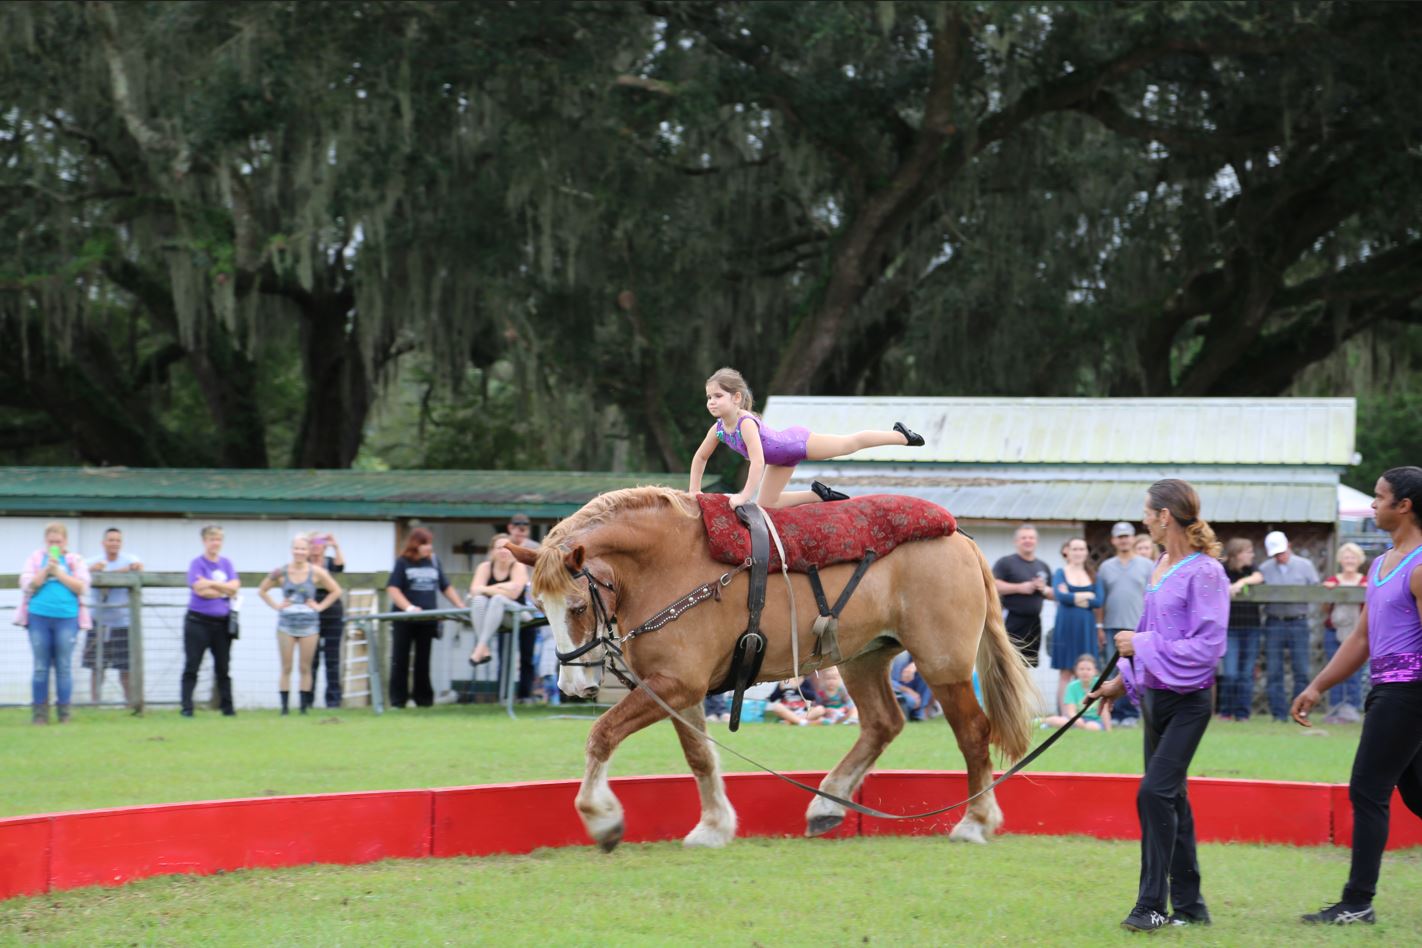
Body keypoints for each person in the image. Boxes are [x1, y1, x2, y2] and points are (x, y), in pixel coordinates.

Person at [1089, 479, 1227, 932]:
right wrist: (1118, 683)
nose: (1144, 518)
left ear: (1164, 516)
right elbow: (1147, 639)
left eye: (1148, 511)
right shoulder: (1162, 564)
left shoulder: (1205, 571)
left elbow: (1207, 647)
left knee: (1154, 793)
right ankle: (1190, 906)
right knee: (1173, 800)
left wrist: (1140, 643)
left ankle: (1150, 905)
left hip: (1189, 701)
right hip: (1155, 697)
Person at [1292, 467, 1422, 926]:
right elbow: (1363, 639)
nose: (1372, 504)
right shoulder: (1384, 564)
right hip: (1386, 690)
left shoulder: (1421, 566)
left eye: (1379, 497)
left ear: (1403, 505)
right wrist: (1316, 686)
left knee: (1368, 790)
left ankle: (1357, 902)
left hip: (1409, 694)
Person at [687, 367, 923, 509]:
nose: (711, 402)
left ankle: (900, 435)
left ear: (736, 398)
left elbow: (758, 462)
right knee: (767, 504)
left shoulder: (745, 423)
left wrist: (743, 495)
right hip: (780, 460)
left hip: (796, 443)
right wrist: (694, 491)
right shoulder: (718, 429)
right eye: (708, 397)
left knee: (847, 444)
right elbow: (700, 457)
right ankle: (818, 495)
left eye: (718, 396)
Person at [16, 522, 92, 724]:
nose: (54, 545)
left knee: (64, 666)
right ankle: (40, 713)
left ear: (65, 541)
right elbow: (28, 585)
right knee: (41, 666)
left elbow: (82, 587)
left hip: (67, 618)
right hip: (39, 617)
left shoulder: (75, 560)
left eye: (58, 542)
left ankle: (64, 713)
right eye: (51, 542)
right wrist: (46, 571)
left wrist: (59, 573)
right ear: (45, 541)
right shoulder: (35, 558)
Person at [258, 535, 343, 715]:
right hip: (286, 625)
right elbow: (262, 590)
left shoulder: (317, 572)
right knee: (286, 667)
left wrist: (319, 607)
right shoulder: (281, 572)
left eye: (303, 549)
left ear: (308, 551)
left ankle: (304, 708)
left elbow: (336, 590)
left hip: (309, 625)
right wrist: (276, 606)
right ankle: (284, 708)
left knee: (305, 667)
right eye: (296, 548)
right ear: (291, 550)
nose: (299, 552)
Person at [386, 527, 465, 708]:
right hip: (404, 620)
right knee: (401, 659)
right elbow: (393, 588)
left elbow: (445, 586)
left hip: (427, 620)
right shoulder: (403, 562)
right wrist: (409, 607)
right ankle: (398, 701)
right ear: (415, 545)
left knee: (423, 660)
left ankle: (423, 700)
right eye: (425, 544)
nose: (429, 547)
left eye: (429, 543)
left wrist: (459, 604)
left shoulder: (434, 562)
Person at [1258, 530, 1321, 722]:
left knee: (1301, 669)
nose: (1280, 556)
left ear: (1289, 547)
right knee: (1274, 670)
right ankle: (1278, 715)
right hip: (1274, 621)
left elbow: (1317, 591)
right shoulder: (1265, 568)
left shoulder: (1305, 565)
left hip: (1298, 621)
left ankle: (1300, 711)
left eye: (1282, 552)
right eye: (1276, 554)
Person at [181, 525, 240, 717]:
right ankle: (187, 708)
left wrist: (212, 583)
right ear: (204, 541)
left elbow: (235, 588)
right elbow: (199, 589)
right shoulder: (196, 564)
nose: (216, 543)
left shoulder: (227, 564)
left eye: (219, 539)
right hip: (198, 622)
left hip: (221, 623)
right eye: (212, 539)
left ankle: (228, 708)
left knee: (223, 667)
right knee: (192, 665)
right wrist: (223, 589)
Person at [1097, 521, 1152, 726]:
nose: (1124, 540)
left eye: (1127, 536)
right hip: (1113, 626)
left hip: (1138, 627)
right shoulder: (1105, 567)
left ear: (1133, 538)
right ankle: (1117, 714)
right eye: (1120, 537)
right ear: (1113, 541)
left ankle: (1133, 713)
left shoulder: (1147, 565)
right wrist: (1099, 626)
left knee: (1135, 671)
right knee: (1115, 672)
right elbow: (1100, 601)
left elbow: (1151, 597)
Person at [85, 527, 142, 705]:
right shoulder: (92, 562)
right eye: (111, 540)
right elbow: (82, 575)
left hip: (122, 623)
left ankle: (130, 704)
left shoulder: (130, 560)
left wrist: (118, 573)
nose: (114, 543)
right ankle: (95, 704)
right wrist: (96, 571)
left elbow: (138, 570)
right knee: (96, 668)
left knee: (125, 669)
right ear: (103, 543)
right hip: (98, 622)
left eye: (117, 540)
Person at [1050, 538, 1102, 711]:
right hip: (1066, 627)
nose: (1078, 552)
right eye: (1074, 549)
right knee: (1065, 672)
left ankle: (1087, 713)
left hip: (1086, 628)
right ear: (1067, 552)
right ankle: (1065, 716)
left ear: (1086, 552)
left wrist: (1072, 597)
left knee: (1088, 672)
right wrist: (1087, 595)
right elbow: (1061, 597)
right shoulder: (1060, 573)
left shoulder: (1094, 575)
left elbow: (1099, 600)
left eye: (1081, 549)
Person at [992, 524, 1055, 666]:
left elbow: (1053, 594)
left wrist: (1043, 589)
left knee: (1027, 664)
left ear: (1036, 541)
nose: (1028, 540)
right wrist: (1020, 588)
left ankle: (1021, 689)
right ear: (1016, 542)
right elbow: (992, 585)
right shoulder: (1006, 563)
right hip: (1011, 620)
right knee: (1006, 662)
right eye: (1024, 538)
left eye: (1031, 538)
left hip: (1034, 623)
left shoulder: (1042, 566)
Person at [1218, 538, 1265, 721]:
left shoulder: (1250, 569)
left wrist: (1240, 583)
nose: (1251, 555)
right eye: (1248, 551)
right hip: (1230, 629)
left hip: (1251, 628)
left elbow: (1259, 577)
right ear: (1237, 554)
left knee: (1246, 674)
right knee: (1230, 673)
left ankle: (1242, 713)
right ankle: (1225, 711)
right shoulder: (1223, 569)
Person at [1321, 542, 1368, 724]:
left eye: (1353, 557)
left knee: (1354, 671)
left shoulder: (1366, 582)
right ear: (1340, 560)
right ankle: (1334, 709)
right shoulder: (1332, 581)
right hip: (1334, 631)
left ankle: (1352, 709)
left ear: (1359, 560)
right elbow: (1324, 608)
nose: (1349, 560)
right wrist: (1328, 594)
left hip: (1357, 633)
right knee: (1333, 670)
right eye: (1346, 557)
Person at [466, 534, 529, 666]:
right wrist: (502, 586)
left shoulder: (518, 567)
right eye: (499, 548)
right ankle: (484, 649)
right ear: (492, 551)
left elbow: (513, 595)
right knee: (478, 600)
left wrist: (485, 588)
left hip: (517, 614)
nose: (503, 551)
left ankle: (479, 649)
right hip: (493, 615)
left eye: (507, 547)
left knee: (498, 599)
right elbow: (474, 591)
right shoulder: (485, 567)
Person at [306, 532, 346, 708]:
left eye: (320, 543)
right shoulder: (304, 564)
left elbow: (341, 566)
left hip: (333, 614)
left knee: (332, 658)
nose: (316, 546)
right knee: (310, 659)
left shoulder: (329, 562)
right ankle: (307, 700)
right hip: (310, 616)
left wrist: (335, 546)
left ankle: (333, 701)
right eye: (313, 543)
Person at [1043, 654, 1111, 731]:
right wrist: (1076, 719)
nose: (1085, 672)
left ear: (1095, 671)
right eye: (1081, 669)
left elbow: (1105, 711)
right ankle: (1041, 721)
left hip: (1095, 721)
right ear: (1076, 671)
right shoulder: (1072, 686)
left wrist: (1108, 729)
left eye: (1088, 669)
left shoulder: (1100, 685)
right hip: (1077, 719)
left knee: (1091, 726)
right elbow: (1071, 711)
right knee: (1059, 720)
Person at [890, 651, 936, 721]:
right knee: (909, 701)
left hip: (914, 693)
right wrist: (907, 690)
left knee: (928, 672)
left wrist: (914, 665)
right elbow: (885, 681)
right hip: (896, 692)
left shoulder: (913, 650)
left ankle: (919, 713)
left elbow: (931, 661)